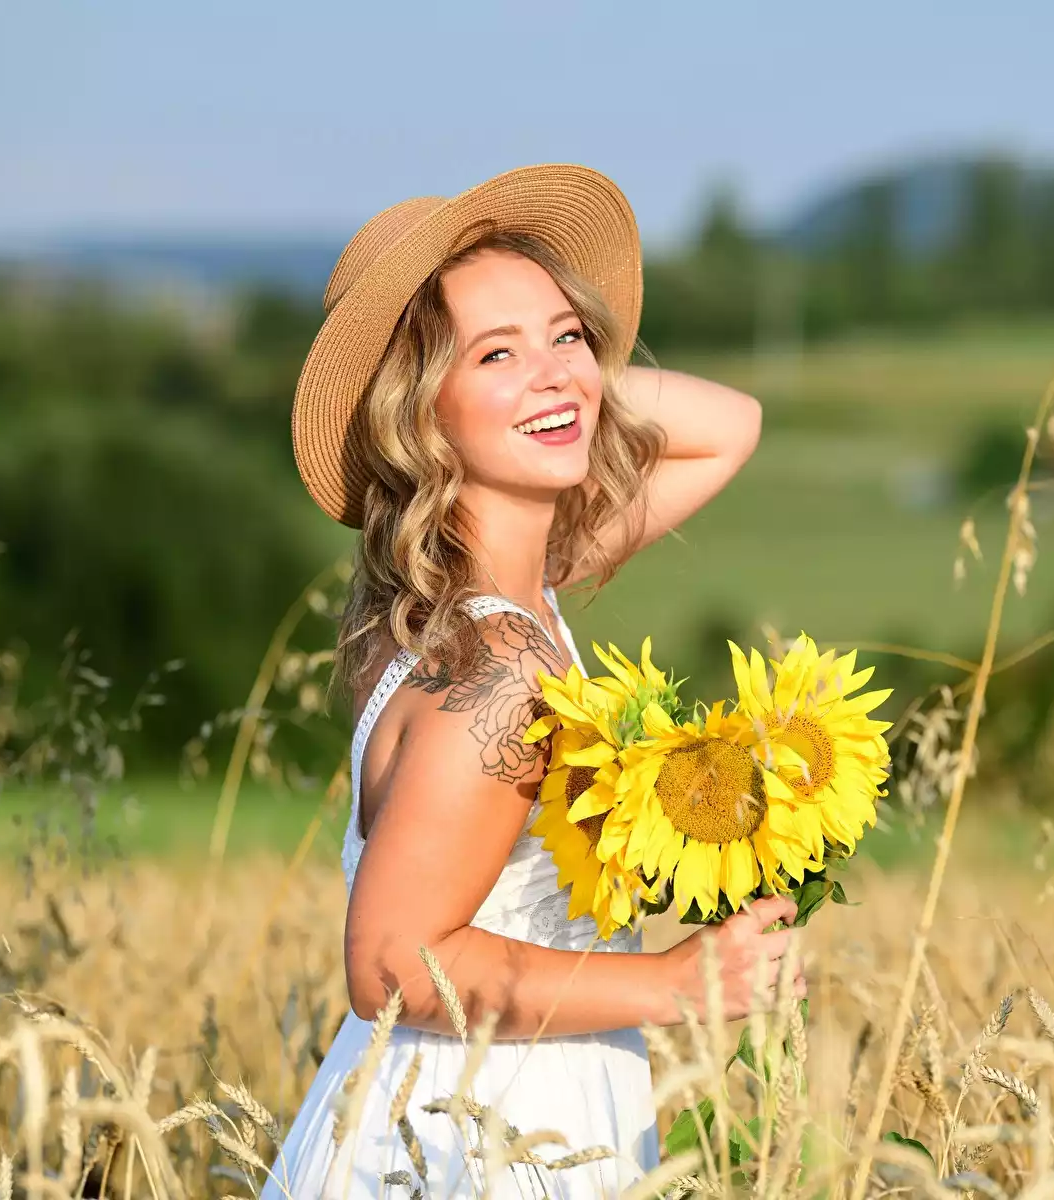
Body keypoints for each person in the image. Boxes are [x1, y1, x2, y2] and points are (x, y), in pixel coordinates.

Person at [262, 164, 802, 1199]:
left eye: (566, 332)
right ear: (417, 410)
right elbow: (390, 964)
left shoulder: (489, 595)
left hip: (483, 1105)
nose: (553, 369)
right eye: (494, 353)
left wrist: (552, 384)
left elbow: (731, 423)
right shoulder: (499, 669)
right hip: (475, 1138)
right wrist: (678, 984)